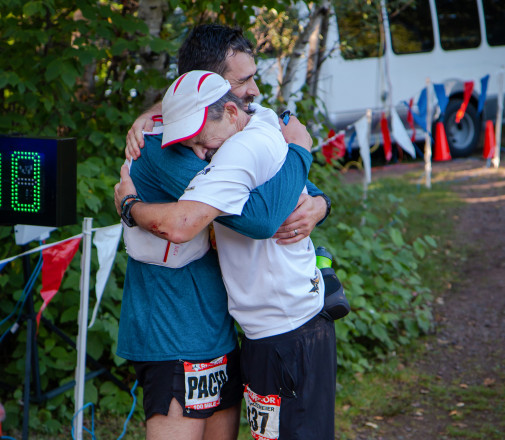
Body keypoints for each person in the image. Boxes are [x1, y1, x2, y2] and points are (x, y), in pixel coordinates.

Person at [118, 25, 331, 440]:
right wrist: (301, 153)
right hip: (173, 326)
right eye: (243, 81)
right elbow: (256, 217)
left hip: (224, 323)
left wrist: (319, 202)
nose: (255, 91)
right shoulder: (171, 145)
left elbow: (271, 176)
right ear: (215, 92)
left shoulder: (232, 125)